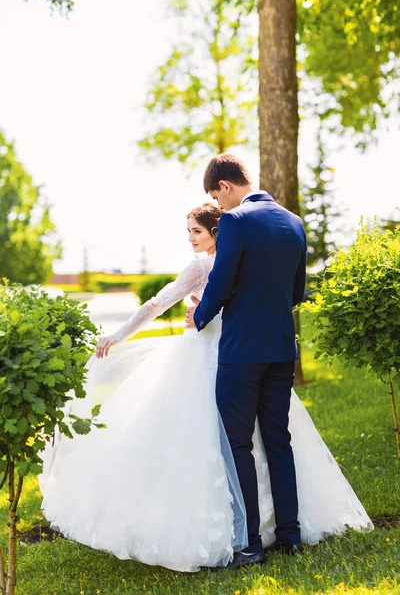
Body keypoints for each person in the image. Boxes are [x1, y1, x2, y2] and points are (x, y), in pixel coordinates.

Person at [39, 201, 372, 574]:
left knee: (259, 442)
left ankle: (265, 530)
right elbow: (158, 302)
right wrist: (118, 334)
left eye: (196, 231)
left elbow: (222, 303)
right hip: (211, 361)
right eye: (188, 232)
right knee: (220, 444)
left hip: (235, 358)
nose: (191, 239)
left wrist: (201, 315)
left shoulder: (226, 262)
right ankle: (248, 530)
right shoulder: (204, 267)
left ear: (218, 233)